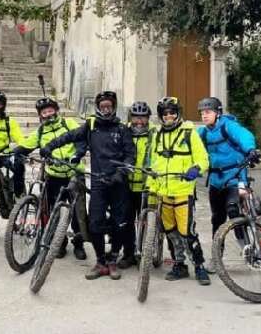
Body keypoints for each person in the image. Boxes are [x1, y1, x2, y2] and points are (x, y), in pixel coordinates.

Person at [41, 91, 136, 280]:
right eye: (103, 107)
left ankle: (113, 259)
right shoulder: (91, 125)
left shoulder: (122, 129)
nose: (106, 110)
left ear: (114, 107)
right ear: (98, 108)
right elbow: (69, 136)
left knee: (120, 223)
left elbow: (130, 155)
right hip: (99, 181)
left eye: (109, 106)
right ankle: (100, 261)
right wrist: (49, 146)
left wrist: (120, 174)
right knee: (95, 223)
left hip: (118, 183)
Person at [13, 97, 88, 260]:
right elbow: (25, 146)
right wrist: (16, 154)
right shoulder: (39, 132)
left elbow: (82, 139)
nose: (48, 114)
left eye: (50, 110)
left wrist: (77, 155)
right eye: (44, 112)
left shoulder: (69, 124)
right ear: (40, 115)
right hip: (53, 176)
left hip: (74, 173)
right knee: (53, 211)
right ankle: (59, 244)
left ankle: (78, 244)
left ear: (56, 110)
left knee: (78, 212)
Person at [147, 97, 211, 284]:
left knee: (187, 232)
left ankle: (199, 266)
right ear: (160, 116)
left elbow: (203, 158)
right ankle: (179, 265)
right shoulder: (157, 135)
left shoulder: (189, 133)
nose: (169, 116)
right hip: (164, 192)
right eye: (165, 113)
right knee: (170, 231)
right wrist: (152, 187)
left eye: (172, 112)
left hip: (183, 191)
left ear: (178, 113)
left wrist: (196, 169)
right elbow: (154, 164)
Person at [196, 97, 261, 273]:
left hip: (235, 175)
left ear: (218, 113)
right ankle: (217, 257)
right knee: (217, 219)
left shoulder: (228, 126)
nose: (204, 115)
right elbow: (189, 144)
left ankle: (249, 251)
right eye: (202, 113)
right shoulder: (202, 133)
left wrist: (251, 150)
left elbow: (244, 135)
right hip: (216, 181)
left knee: (233, 210)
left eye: (208, 112)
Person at [118, 101, 156, 269]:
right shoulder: (123, 131)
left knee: (149, 221)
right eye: (136, 117)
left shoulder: (156, 133)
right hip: (127, 185)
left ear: (148, 118)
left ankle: (147, 251)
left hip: (147, 185)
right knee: (126, 221)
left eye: (143, 117)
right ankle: (128, 253)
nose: (139, 121)